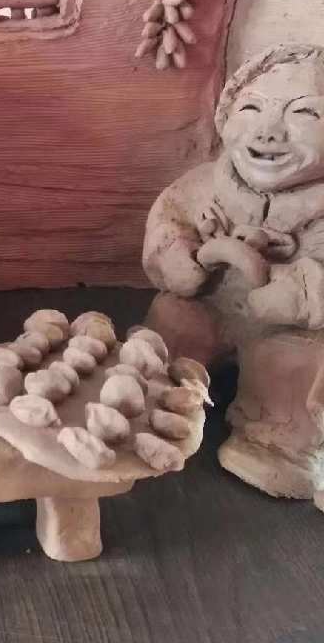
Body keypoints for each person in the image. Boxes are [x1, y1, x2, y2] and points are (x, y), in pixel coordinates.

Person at [143, 43, 324, 508]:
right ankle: (156, 399)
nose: (269, 131)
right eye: (251, 108)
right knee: (174, 317)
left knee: (293, 360)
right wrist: (187, 260)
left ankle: (277, 442)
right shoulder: (202, 186)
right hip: (215, 308)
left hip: (289, 330)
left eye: (305, 113)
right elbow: (166, 231)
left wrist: (298, 292)